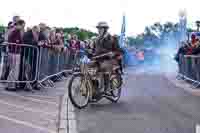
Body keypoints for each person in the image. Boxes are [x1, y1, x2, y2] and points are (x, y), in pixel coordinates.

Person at [89, 21, 123, 100]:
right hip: (98, 60)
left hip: (109, 60)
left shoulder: (112, 38)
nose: (98, 30)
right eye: (98, 28)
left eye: (100, 28)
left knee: (104, 67)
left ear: (105, 29)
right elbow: (94, 50)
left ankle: (106, 89)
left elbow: (119, 51)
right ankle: (94, 90)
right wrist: (90, 51)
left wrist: (113, 53)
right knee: (88, 68)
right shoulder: (96, 39)